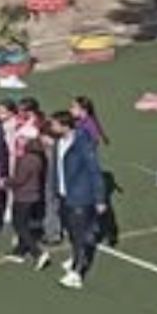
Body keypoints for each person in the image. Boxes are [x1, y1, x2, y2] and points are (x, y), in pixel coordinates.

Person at [53, 111, 108, 289]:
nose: (52, 127)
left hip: (80, 197)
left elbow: (94, 171)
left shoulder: (82, 143)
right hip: (64, 195)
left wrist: (100, 198)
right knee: (70, 230)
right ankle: (75, 257)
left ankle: (76, 273)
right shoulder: (59, 142)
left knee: (79, 235)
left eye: (55, 124)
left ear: (65, 126)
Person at [7, 130, 48, 265]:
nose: (21, 141)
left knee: (20, 225)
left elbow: (19, 180)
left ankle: (38, 253)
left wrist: (5, 182)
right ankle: (19, 251)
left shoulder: (26, 160)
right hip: (32, 195)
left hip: (23, 197)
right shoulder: (38, 159)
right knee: (23, 223)